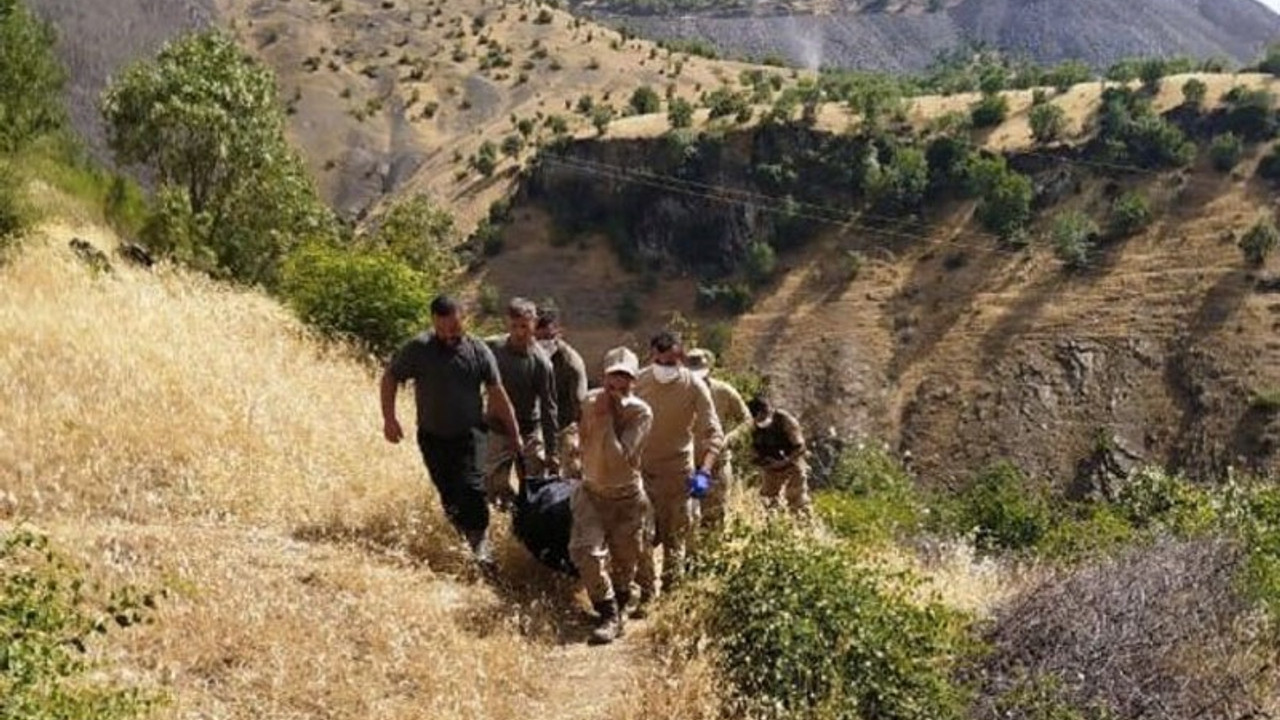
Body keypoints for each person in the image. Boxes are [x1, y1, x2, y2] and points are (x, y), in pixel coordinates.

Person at [380, 295, 522, 568]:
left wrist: (514, 435)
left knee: (472, 488)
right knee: (449, 496)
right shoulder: (418, 349)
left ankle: (482, 549)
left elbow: (497, 394)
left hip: (470, 436)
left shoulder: (479, 351)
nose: (449, 334)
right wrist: (389, 418)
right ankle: (467, 542)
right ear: (434, 322)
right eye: (443, 328)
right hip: (432, 437)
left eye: (454, 327)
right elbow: (391, 377)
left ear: (464, 319)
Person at [568, 346, 653, 645]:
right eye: (611, 382)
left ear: (633, 381)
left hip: (626, 497)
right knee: (587, 553)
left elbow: (621, 457)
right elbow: (577, 435)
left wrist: (605, 420)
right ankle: (607, 613)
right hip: (592, 493)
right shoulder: (590, 401)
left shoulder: (640, 412)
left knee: (625, 560)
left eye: (624, 382)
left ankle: (620, 603)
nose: (616, 389)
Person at [634, 331, 723, 611]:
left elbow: (713, 433)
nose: (667, 368)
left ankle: (671, 599)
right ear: (652, 355)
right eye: (662, 362)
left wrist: (704, 472)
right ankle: (646, 594)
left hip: (678, 473)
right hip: (644, 473)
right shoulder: (638, 381)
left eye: (672, 362)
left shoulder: (694, 386)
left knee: (676, 538)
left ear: (680, 358)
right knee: (642, 535)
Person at [485, 298, 559, 510]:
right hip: (497, 430)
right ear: (507, 323)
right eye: (514, 326)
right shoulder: (493, 348)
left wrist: (552, 452)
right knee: (492, 485)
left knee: (535, 488)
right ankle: (508, 516)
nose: (519, 332)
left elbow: (549, 408)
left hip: (528, 432)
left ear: (534, 324)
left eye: (524, 327)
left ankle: (527, 525)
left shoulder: (541, 363)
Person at [685, 349, 751, 530]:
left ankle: (710, 554)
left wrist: (729, 439)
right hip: (685, 466)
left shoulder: (724, 392)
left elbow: (746, 420)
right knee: (683, 520)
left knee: (713, 518)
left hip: (715, 466)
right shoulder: (678, 393)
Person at [535, 307, 588, 479]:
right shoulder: (525, 355)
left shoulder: (571, 363)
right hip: (534, 425)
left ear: (559, 333)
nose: (542, 342)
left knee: (572, 471)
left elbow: (580, 407)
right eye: (538, 337)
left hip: (564, 424)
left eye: (548, 337)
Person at [747, 396, 811, 516]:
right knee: (768, 504)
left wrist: (783, 462)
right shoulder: (752, 424)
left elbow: (800, 447)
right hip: (770, 470)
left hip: (792, 466)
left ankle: (804, 530)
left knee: (797, 505)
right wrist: (759, 460)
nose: (758, 421)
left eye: (761, 417)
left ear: (766, 412)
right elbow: (753, 448)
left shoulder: (784, 420)